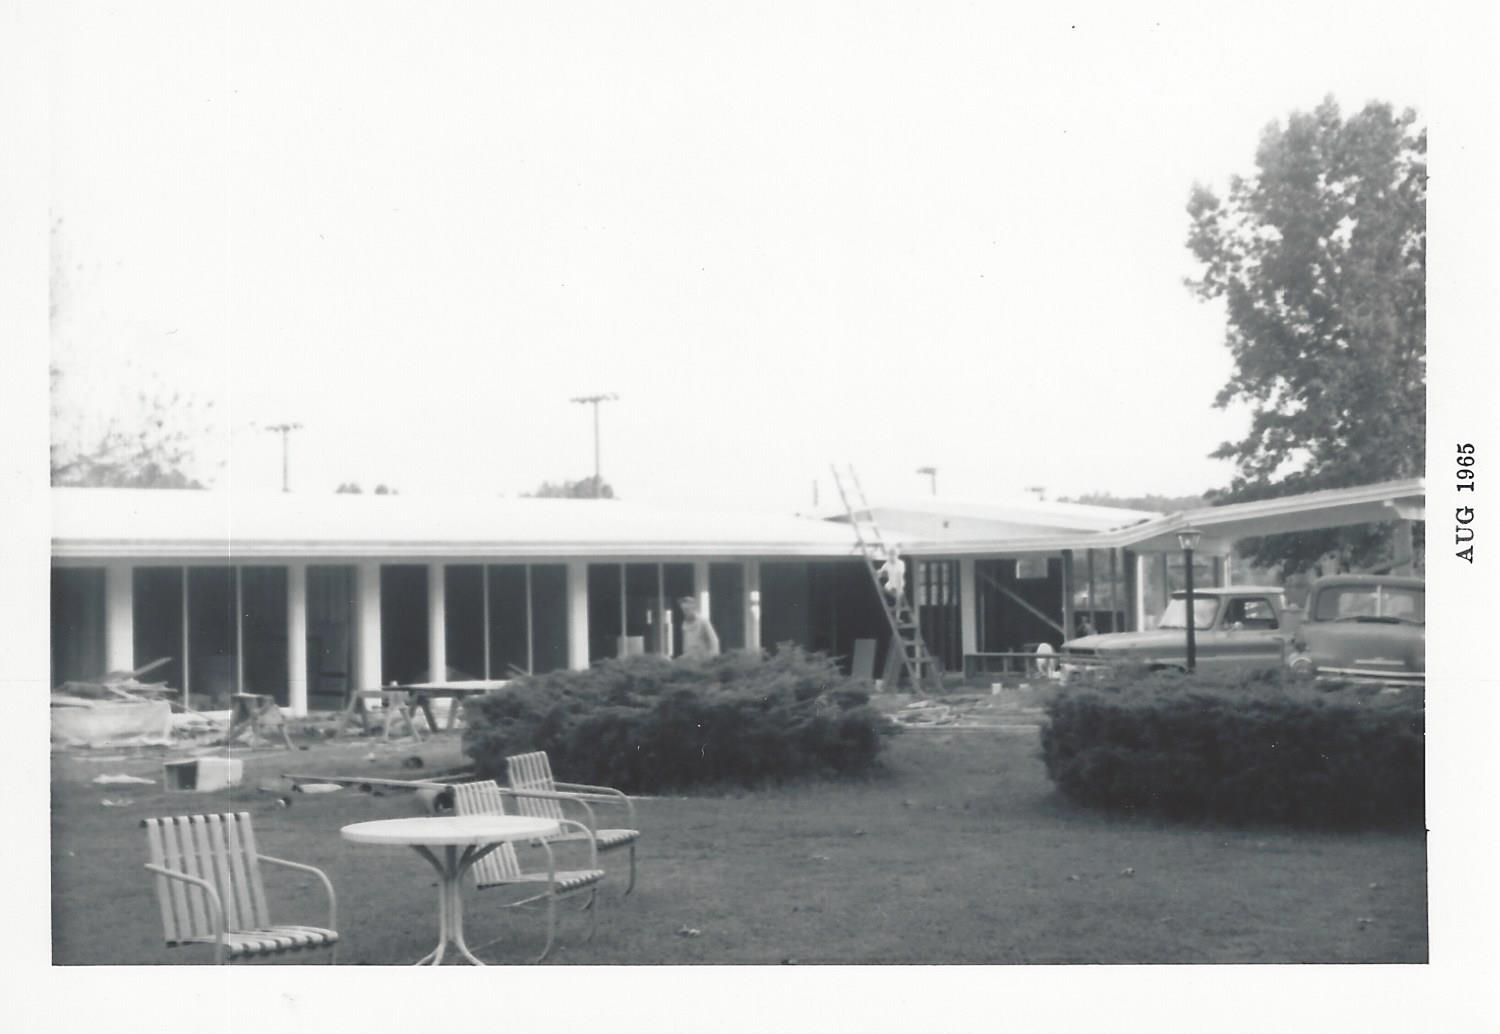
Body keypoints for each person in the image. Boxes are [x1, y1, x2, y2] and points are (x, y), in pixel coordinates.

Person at [678, 595, 720, 659]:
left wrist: (713, 659)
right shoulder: (684, 625)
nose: (686, 612)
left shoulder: (703, 621)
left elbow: (714, 641)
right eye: (684, 610)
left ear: (693, 608)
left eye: (688, 609)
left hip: (703, 659)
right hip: (691, 660)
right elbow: (686, 645)